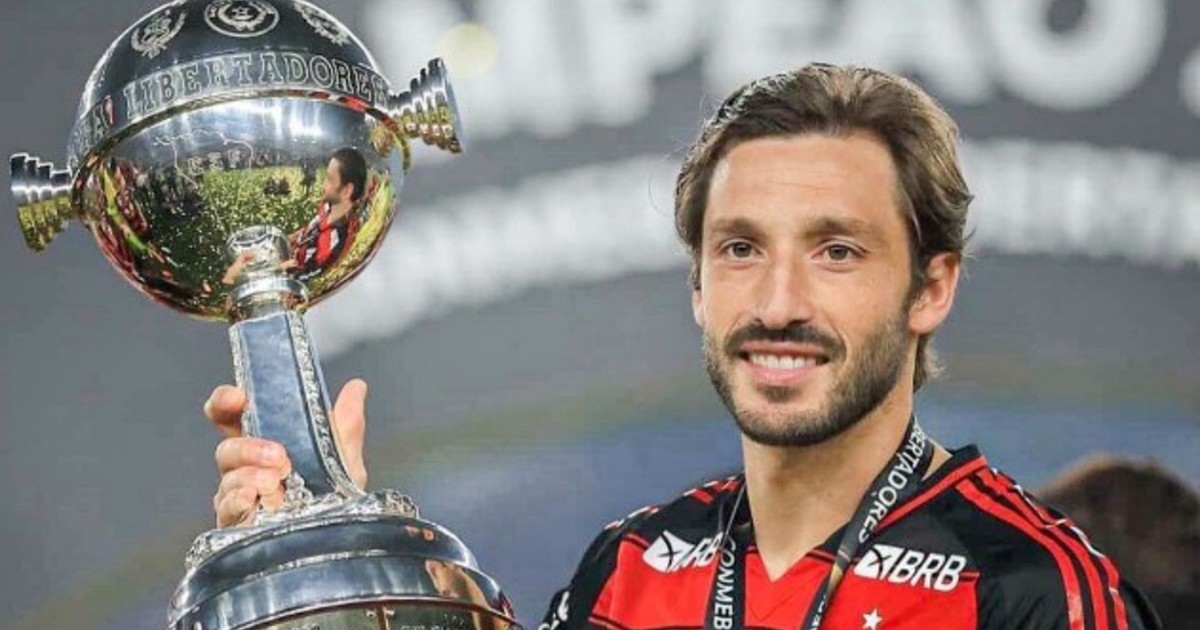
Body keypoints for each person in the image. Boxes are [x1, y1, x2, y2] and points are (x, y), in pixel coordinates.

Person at [204, 64, 1161, 629]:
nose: (778, 303)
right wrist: (334, 562)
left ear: (932, 288)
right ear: (698, 285)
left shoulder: (1031, 589)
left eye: (836, 251)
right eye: (740, 249)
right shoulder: (628, 568)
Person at [286, 147, 366, 280]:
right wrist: (292, 238)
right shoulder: (328, 205)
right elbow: (312, 228)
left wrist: (279, 268)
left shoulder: (335, 245)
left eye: (329, 179)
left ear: (347, 190)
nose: (323, 184)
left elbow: (304, 280)